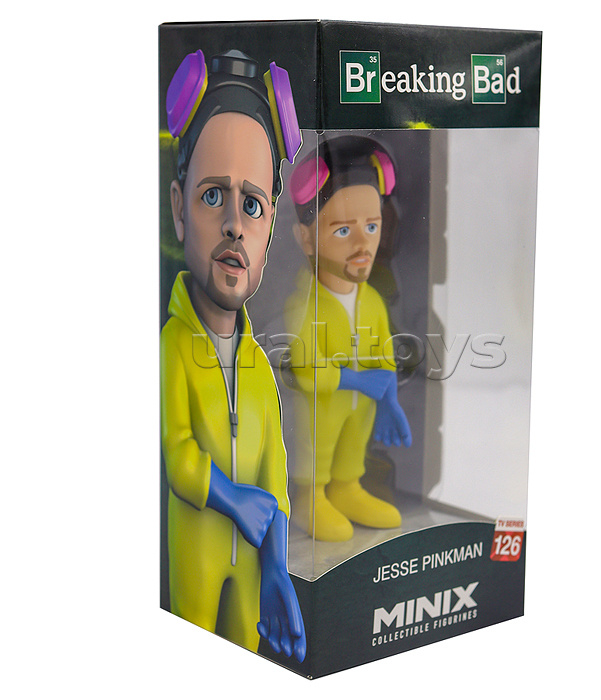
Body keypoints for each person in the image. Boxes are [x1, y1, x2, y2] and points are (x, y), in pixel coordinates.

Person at [160, 48, 305, 661]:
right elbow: (177, 454)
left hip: (250, 568)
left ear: (268, 233)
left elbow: (275, 477)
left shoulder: (260, 369)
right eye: (212, 196)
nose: (233, 227)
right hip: (193, 554)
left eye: (252, 205)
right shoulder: (172, 345)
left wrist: (276, 569)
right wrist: (230, 497)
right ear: (178, 209)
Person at [286, 135, 412, 542]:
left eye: (372, 226)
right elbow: (305, 368)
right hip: (318, 416)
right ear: (305, 238)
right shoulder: (306, 306)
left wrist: (389, 401)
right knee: (318, 445)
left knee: (353, 445)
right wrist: (356, 380)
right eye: (343, 230)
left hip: (361, 415)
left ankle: (346, 486)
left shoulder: (372, 301)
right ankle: (310, 496)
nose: (363, 245)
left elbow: (384, 356)